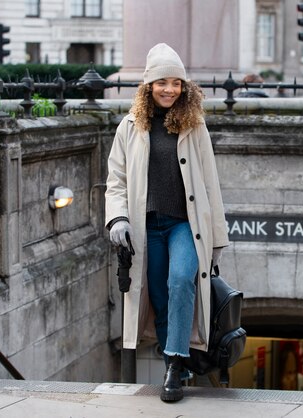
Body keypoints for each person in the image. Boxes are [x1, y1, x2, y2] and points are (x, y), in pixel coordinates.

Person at [105, 43, 229, 402]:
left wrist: (216, 238)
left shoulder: (195, 126)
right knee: (158, 294)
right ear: (148, 86)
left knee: (180, 281)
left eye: (176, 83)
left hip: (184, 226)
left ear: (185, 88)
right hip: (147, 228)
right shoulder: (128, 128)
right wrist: (118, 217)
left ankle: (175, 362)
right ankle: (171, 356)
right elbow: (116, 180)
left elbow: (210, 183)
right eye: (162, 82)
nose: (169, 89)